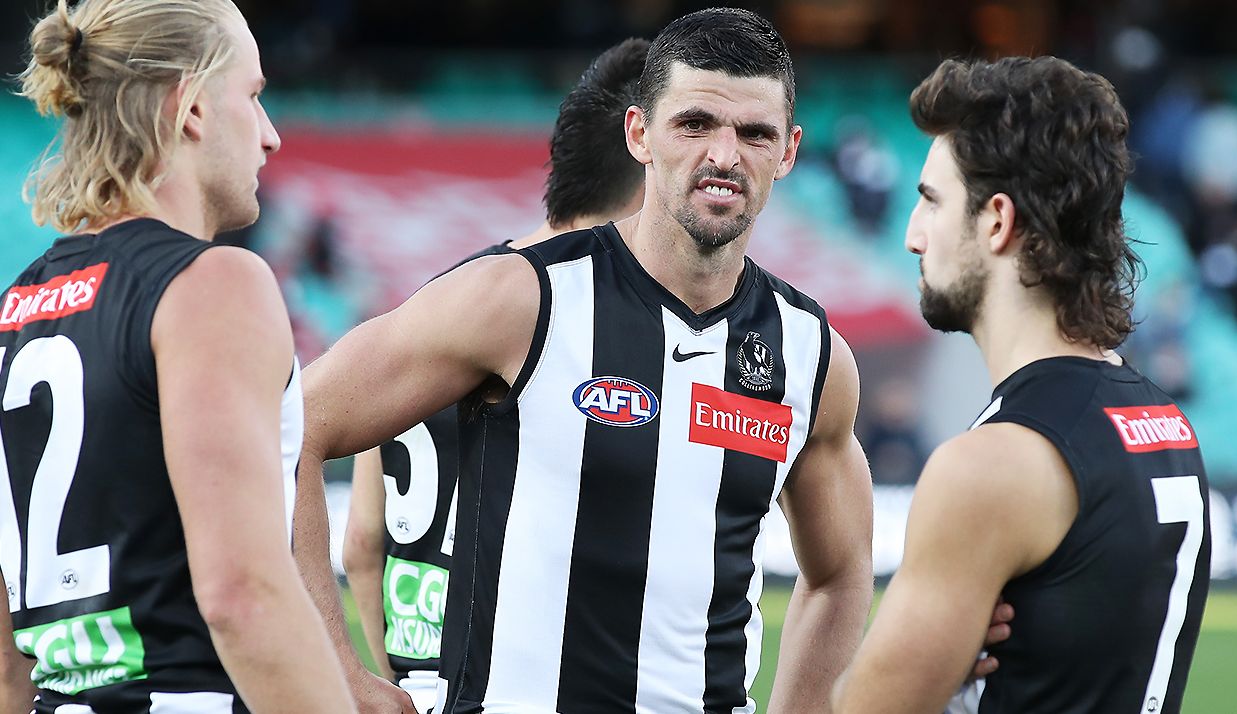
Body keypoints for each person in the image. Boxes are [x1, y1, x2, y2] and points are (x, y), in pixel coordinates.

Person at [296, 9, 877, 713]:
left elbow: (841, 574)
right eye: (694, 124)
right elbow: (292, 425)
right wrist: (336, 675)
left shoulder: (810, 353)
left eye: (753, 134)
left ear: (787, 152)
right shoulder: (521, 297)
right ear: (639, 134)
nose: (724, 155)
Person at [0, 1, 358, 712]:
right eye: (253, 98)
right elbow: (242, 593)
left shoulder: (17, 306)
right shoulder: (216, 282)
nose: (271, 136)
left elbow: (10, 650)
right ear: (190, 106)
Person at [832, 56, 1212, 714]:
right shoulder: (1161, 419)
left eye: (929, 202)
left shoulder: (989, 466)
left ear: (996, 222)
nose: (911, 236)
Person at [341, 36, 650, 712]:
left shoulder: (432, 306)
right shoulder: (576, 321)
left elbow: (364, 545)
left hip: (417, 682)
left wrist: (382, 680)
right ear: (645, 164)